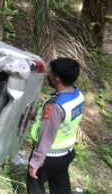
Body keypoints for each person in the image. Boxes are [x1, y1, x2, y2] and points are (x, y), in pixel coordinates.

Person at [27, 58, 85, 194]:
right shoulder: (78, 95)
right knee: (61, 189)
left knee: (35, 187)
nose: (49, 75)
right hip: (67, 153)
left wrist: (35, 162)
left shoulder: (55, 106)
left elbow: (46, 136)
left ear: (57, 79)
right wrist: (37, 116)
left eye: (51, 73)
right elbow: (63, 119)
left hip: (49, 157)